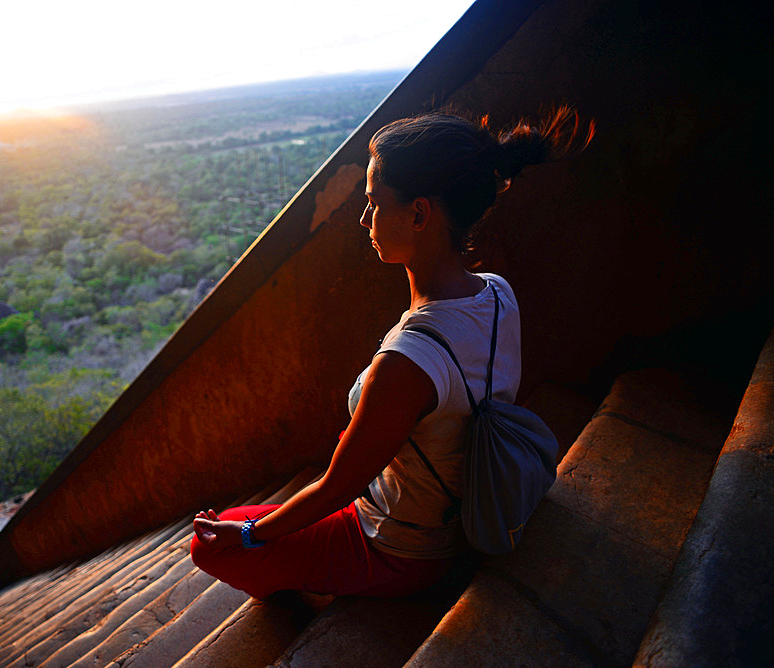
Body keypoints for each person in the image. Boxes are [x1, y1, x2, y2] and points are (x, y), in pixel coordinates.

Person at [191, 108, 593, 599]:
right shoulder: (496, 292)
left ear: (419, 214)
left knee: (212, 542)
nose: (364, 219)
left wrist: (252, 535)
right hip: (454, 499)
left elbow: (336, 488)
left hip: (403, 547)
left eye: (374, 204)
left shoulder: (407, 362)